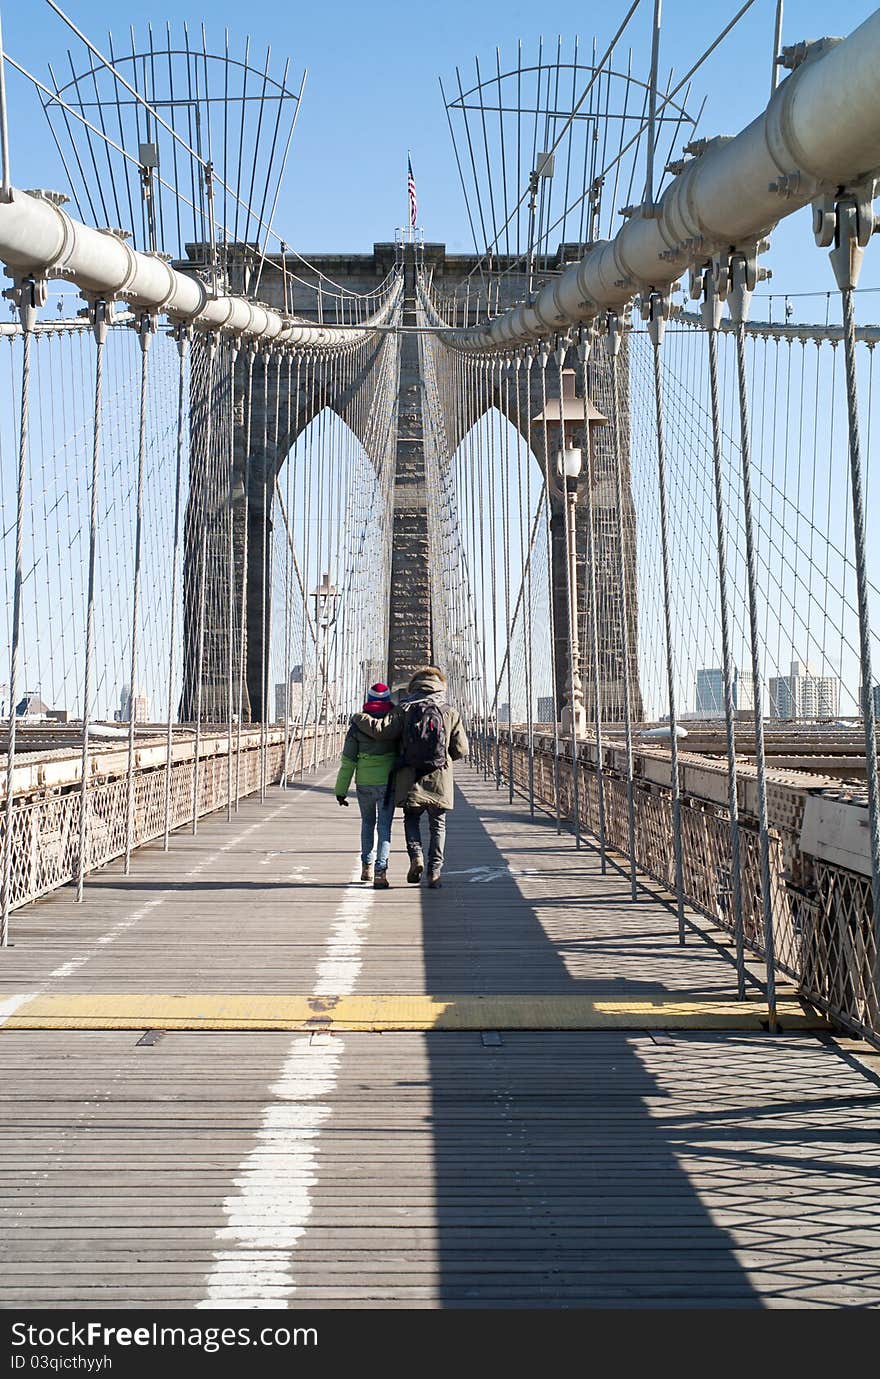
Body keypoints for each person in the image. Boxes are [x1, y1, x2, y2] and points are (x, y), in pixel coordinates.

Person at [351, 665, 468, 889]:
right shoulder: (449, 711)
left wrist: (359, 718)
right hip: (440, 778)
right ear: (440, 686)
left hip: (410, 776)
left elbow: (381, 731)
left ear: (414, 686)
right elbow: (462, 749)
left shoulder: (404, 709)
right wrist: (443, 758)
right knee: (438, 825)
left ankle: (416, 857)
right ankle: (434, 872)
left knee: (412, 819)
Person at [334, 682, 397, 889]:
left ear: (368, 700)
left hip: (365, 783)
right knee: (385, 826)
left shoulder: (357, 725)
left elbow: (348, 761)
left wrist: (340, 791)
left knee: (368, 824)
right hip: (388, 783)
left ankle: (366, 867)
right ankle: (381, 871)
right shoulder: (395, 723)